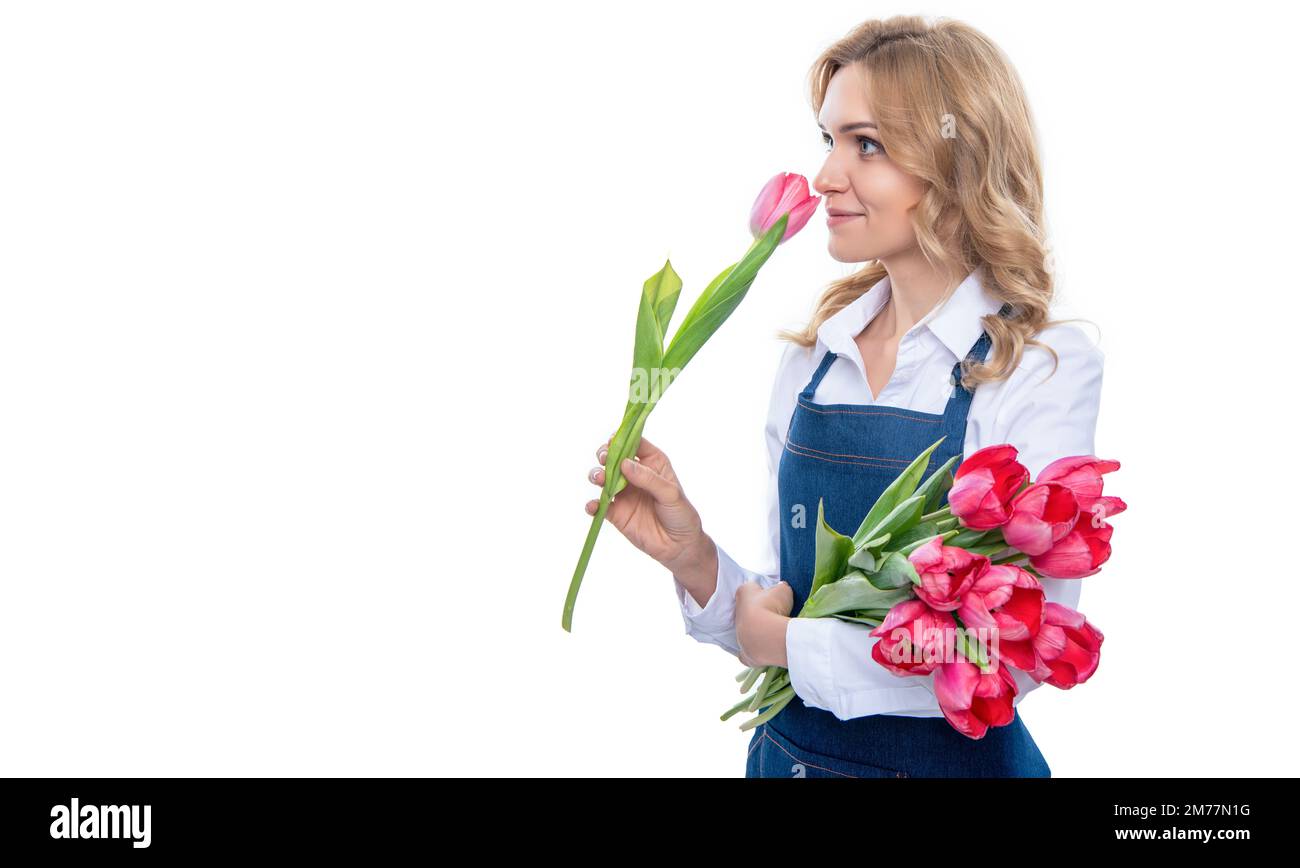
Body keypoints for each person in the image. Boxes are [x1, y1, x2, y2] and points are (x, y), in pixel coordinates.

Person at [583, 15, 1104, 778]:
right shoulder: (814, 357)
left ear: (955, 160)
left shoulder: (1039, 365)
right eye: (828, 141)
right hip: (788, 759)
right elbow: (783, 603)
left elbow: (1009, 653)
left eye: (866, 145)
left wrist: (787, 645)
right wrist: (692, 556)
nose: (827, 176)